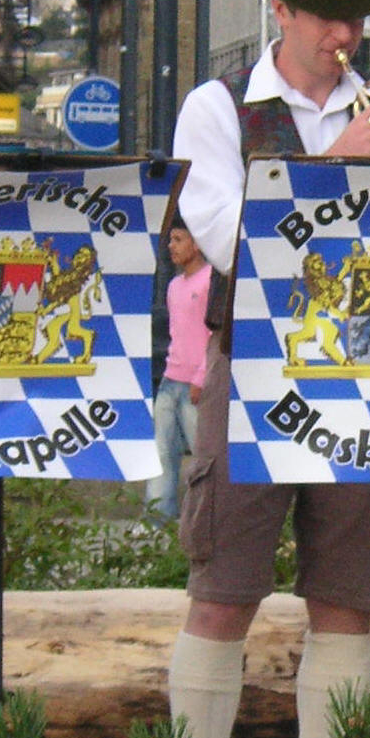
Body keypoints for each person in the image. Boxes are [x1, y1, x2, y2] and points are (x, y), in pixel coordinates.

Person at [165, 0, 370, 738]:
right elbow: (230, 245)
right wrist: (333, 163)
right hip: (250, 369)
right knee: (222, 593)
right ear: (278, 8)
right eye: (325, 15)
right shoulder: (216, 107)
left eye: (355, 17)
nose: (345, 36)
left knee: (347, 603)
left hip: (362, 371)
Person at [147, 222, 211, 521]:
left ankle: (201, 520)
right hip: (170, 379)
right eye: (170, 240)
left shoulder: (211, 280)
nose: (171, 246)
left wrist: (201, 377)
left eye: (178, 239)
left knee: (202, 458)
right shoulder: (174, 285)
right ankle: (159, 517)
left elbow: (214, 335)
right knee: (162, 452)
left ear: (196, 244)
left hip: (195, 384)